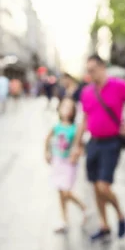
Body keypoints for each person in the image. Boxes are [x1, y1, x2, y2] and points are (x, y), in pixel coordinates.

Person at [70, 54, 125, 242]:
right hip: (94, 142)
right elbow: (84, 120)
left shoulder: (118, 85)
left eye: (92, 70)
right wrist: (77, 145)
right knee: (96, 187)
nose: (89, 74)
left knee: (103, 186)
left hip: (111, 142)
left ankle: (120, 215)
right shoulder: (87, 92)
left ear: (102, 67)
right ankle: (104, 225)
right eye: (87, 71)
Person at [45, 98, 91, 233]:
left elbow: (80, 145)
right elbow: (47, 140)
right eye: (63, 106)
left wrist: (77, 153)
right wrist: (47, 152)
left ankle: (83, 207)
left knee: (66, 191)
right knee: (60, 191)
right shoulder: (56, 126)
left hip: (69, 164)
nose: (65, 110)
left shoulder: (75, 128)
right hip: (57, 161)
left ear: (73, 112)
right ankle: (64, 219)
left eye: (69, 108)